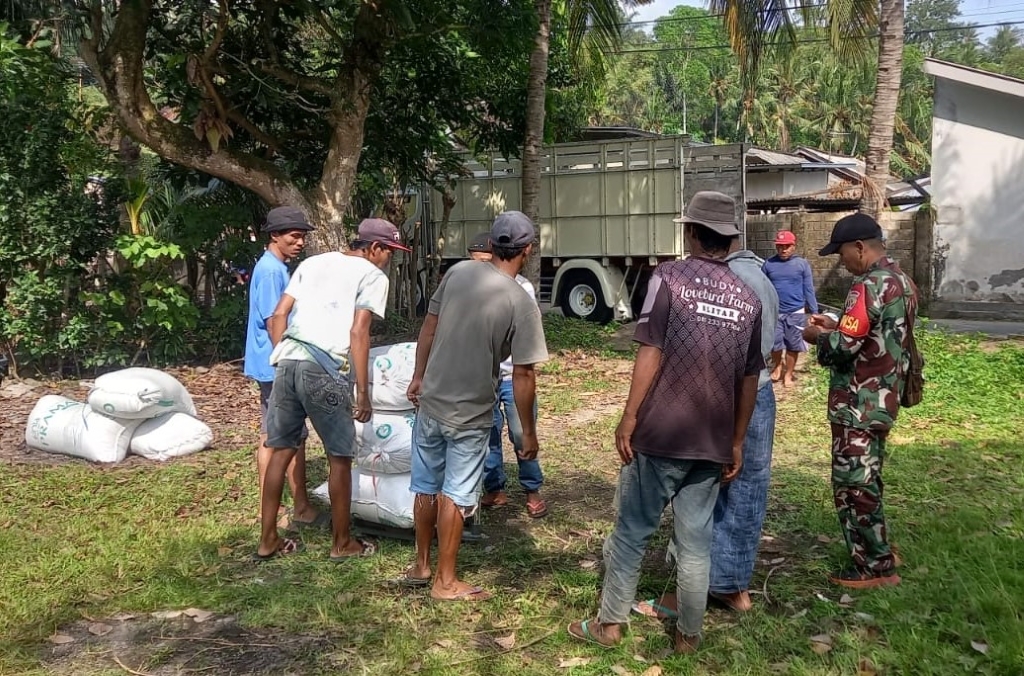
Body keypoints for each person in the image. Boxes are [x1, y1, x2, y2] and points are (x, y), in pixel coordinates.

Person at [568, 191, 763, 654]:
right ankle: (688, 637)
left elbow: (650, 349)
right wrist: (736, 441)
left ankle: (610, 625)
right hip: (712, 441)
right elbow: (749, 378)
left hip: (660, 433)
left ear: (691, 232)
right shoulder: (748, 298)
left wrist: (629, 416)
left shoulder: (669, 278)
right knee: (695, 544)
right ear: (729, 239)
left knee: (633, 531)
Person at [632, 234, 780, 619]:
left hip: (722, 396)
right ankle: (734, 584)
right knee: (747, 490)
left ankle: (689, 595)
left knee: (698, 498)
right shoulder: (763, 278)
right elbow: (769, 352)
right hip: (761, 395)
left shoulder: (717, 281)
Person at [404, 211, 548, 601]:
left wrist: (418, 376)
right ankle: (445, 582)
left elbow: (429, 327)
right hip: (469, 413)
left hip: (431, 401)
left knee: (426, 486)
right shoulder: (520, 301)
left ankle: (421, 565)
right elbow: (523, 375)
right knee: (455, 491)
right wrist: (528, 433)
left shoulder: (458, 273)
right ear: (527, 250)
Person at [254, 218, 411, 561]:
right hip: (325, 368)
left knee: (280, 451)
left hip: (288, 360)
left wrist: (283, 358)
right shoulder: (372, 275)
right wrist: (363, 393)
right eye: (389, 251)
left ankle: (267, 540)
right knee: (340, 458)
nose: (390, 258)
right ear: (374, 248)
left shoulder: (313, 262)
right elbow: (358, 332)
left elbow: (279, 315)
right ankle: (342, 543)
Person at [802, 212, 917, 589]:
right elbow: (877, 335)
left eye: (842, 254)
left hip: (857, 403)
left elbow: (843, 348)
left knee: (853, 484)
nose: (842, 262)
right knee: (869, 477)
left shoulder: (867, 286)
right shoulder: (901, 281)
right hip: (883, 398)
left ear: (860, 247)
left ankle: (874, 566)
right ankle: (880, 549)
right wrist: (838, 325)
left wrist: (817, 337)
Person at [243, 206, 323, 530]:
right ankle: (285, 509)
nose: (300, 242)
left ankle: (286, 507)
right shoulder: (270, 271)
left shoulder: (276, 267)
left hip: (272, 362)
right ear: (275, 235)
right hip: (275, 363)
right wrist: (288, 361)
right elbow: (273, 320)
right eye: (294, 236)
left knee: (281, 435)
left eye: (302, 237)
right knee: (283, 437)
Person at [466, 233, 548, 518]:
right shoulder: (469, 288)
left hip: (514, 374)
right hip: (483, 375)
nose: (479, 267)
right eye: (474, 262)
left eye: (484, 261)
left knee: (521, 432)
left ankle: (532, 488)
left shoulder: (521, 287)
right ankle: (495, 488)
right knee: (487, 433)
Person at [762, 230, 818, 387]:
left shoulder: (802, 264)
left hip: (796, 312)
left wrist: (814, 312)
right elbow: (762, 287)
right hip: (775, 312)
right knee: (775, 343)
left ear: (793, 246)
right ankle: (777, 365)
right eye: (780, 246)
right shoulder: (768, 264)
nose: (783, 249)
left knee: (793, 345)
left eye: (786, 246)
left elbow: (809, 289)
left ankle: (788, 374)